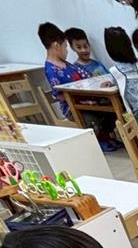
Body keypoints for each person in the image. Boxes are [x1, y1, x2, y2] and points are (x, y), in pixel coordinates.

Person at [39, 22, 118, 151]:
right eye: (65, 47)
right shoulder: (51, 69)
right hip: (72, 106)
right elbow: (60, 95)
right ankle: (99, 141)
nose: (66, 51)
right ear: (56, 46)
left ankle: (106, 137)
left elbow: (85, 77)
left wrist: (98, 83)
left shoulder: (66, 64)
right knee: (94, 116)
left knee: (110, 108)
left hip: (86, 100)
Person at [103, 27, 138, 129]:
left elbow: (121, 81)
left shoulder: (115, 70)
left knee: (124, 123)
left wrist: (111, 83)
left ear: (110, 50)